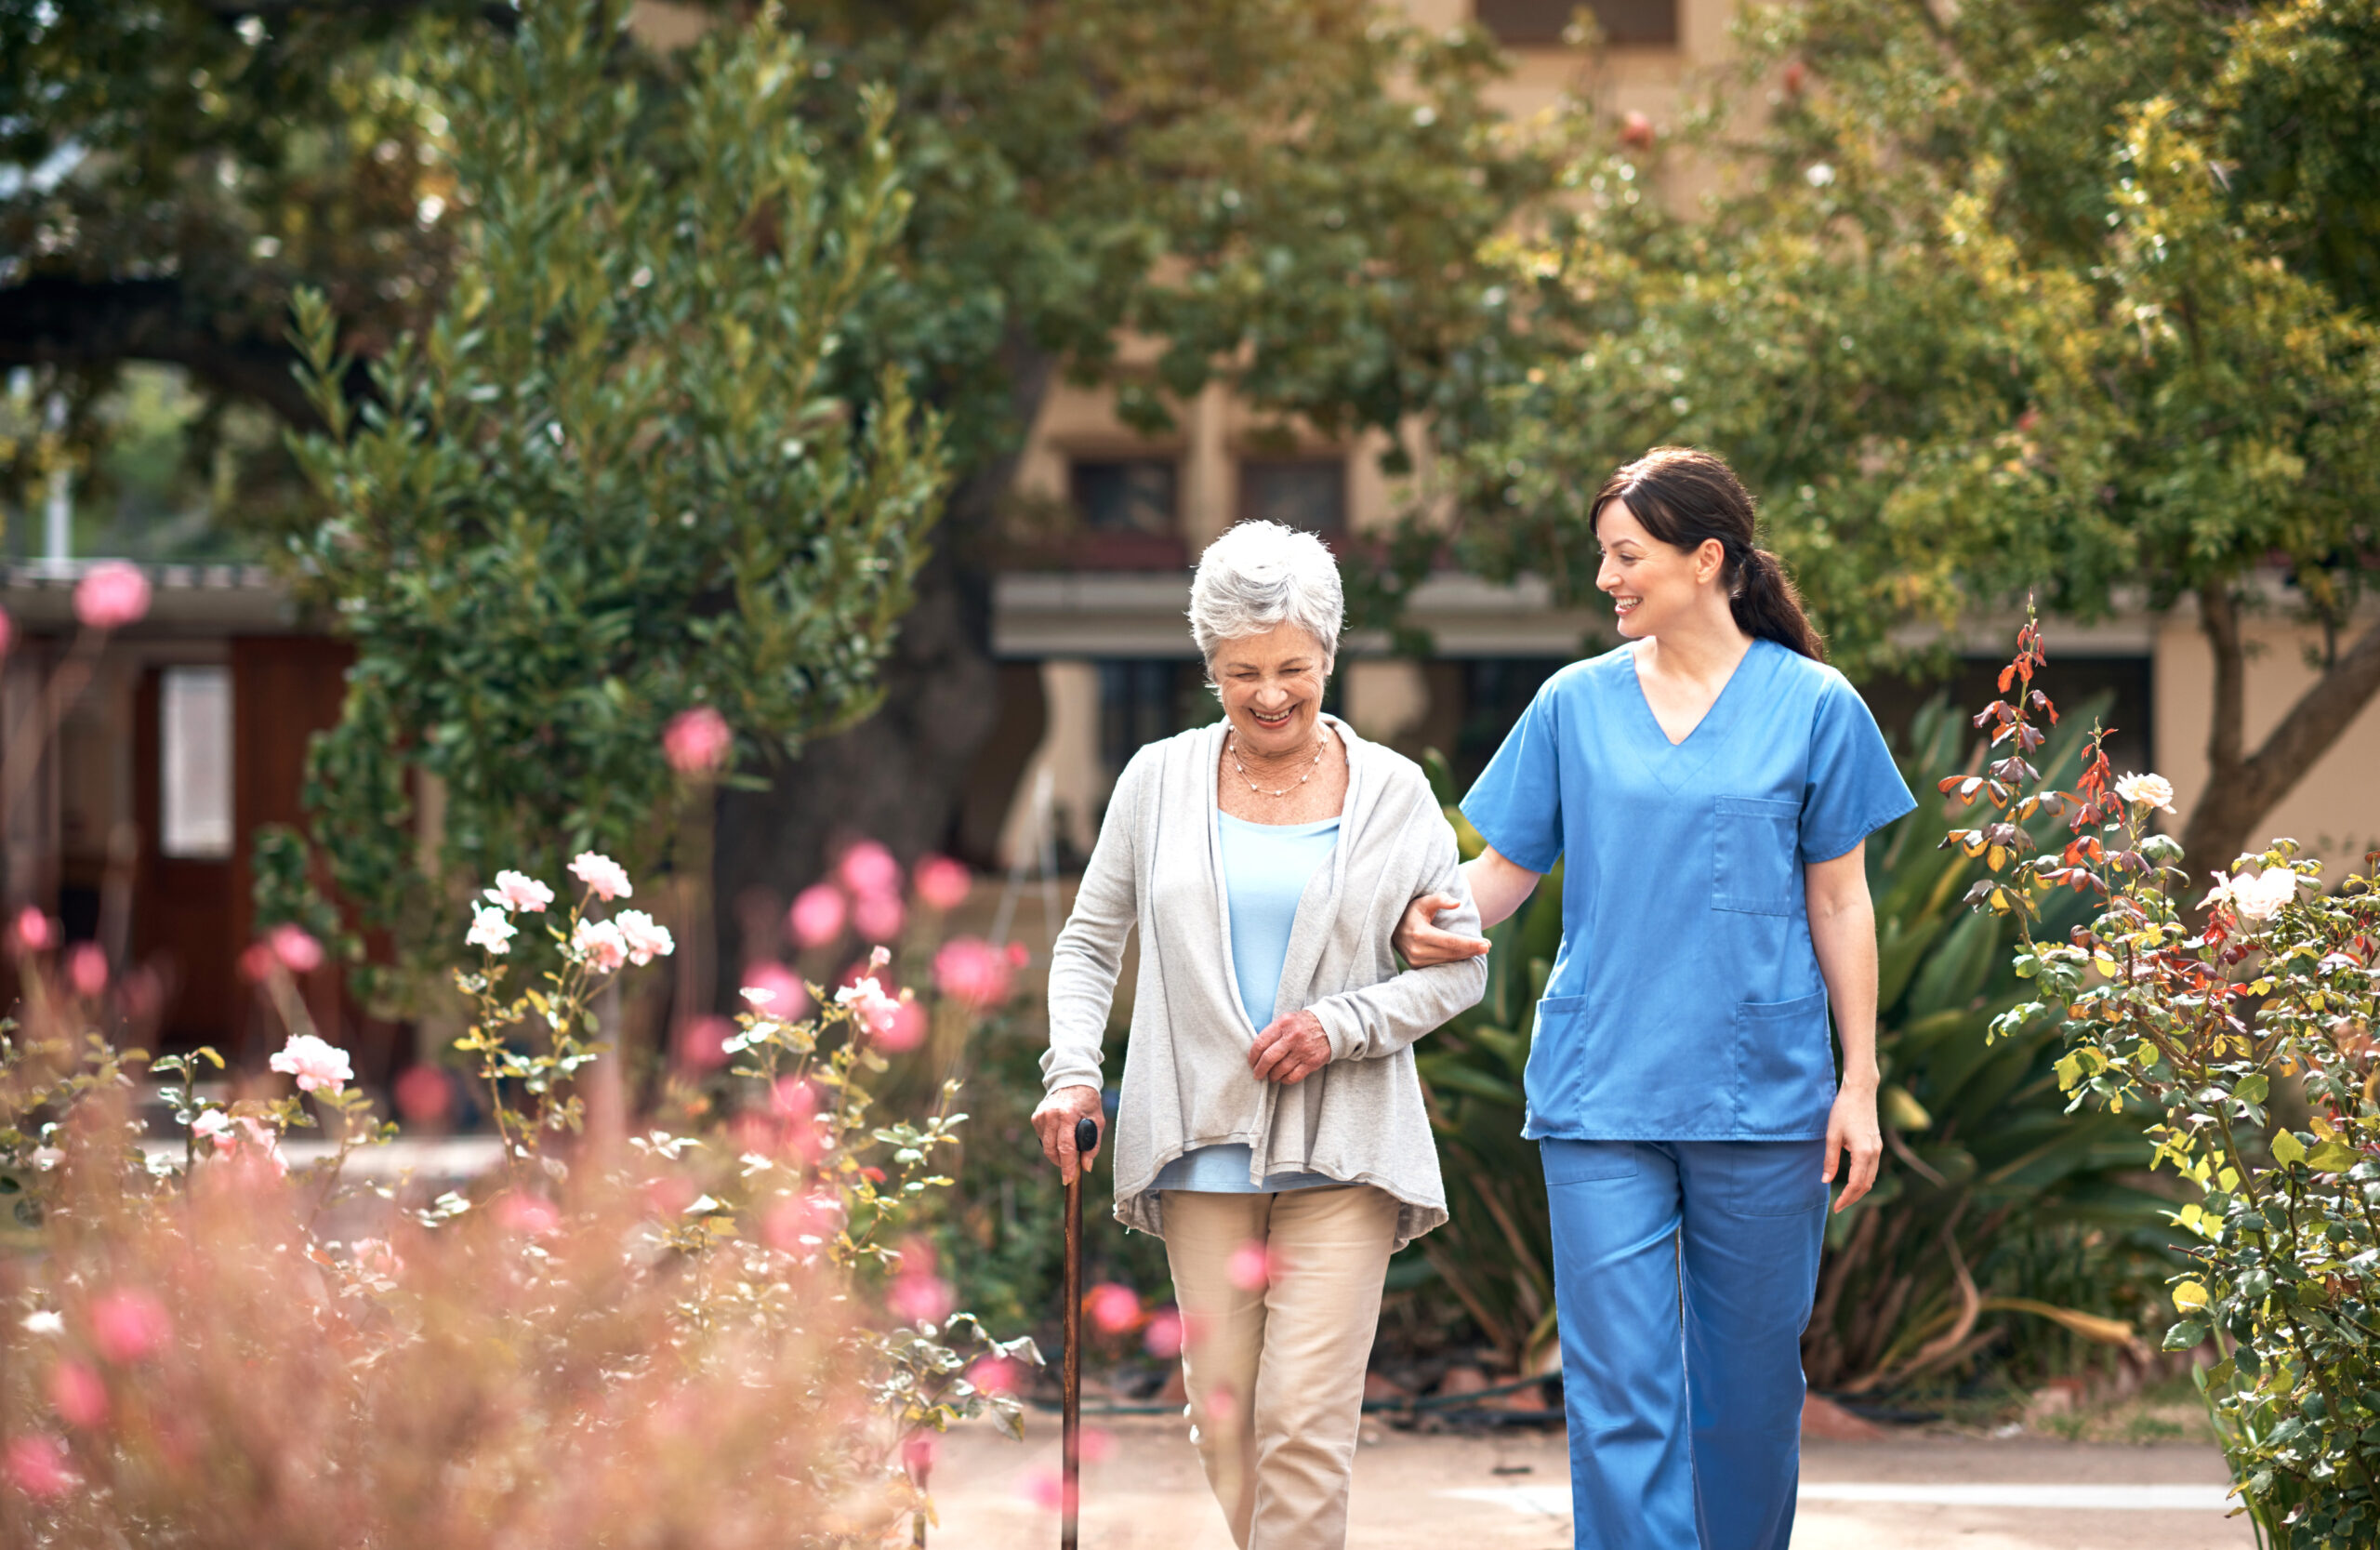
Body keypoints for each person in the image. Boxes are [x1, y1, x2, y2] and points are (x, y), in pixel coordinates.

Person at [1394, 447, 1913, 1550]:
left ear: (1706, 559)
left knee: (1749, 1397)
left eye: (1625, 556)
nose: (1605, 580)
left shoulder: (1814, 705)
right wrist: (1412, 922)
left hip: (1762, 1094)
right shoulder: (1571, 704)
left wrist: (1858, 1082)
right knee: (1619, 1395)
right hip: (1602, 1090)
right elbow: (1499, 873)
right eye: (1603, 558)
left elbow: (1841, 902)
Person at [1034, 519, 1488, 1550]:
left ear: (1328, 653)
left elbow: (1462, 970)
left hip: (1345, 1148)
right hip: (1198, 1147)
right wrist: (1072, 1074)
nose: (1270, 692)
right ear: (1209, 666)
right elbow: (1087, 943)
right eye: (1241, 671)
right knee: (1226, 1418)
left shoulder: (1393, 792)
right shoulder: (1156, 781)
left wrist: (1342, 1025)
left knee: (1303, 1421)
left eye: (1291, 666)